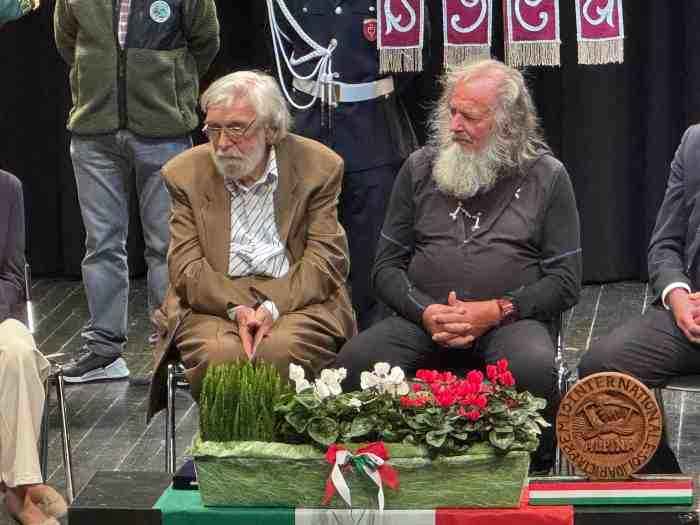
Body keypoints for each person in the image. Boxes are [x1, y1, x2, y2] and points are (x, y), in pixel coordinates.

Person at [333, 59, 582, 471]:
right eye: (451, 111)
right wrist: (426, 311)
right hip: (422, 318)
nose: (454, 125)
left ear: (508, 124)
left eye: (470, 116)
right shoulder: (418, 168)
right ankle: (386, 471)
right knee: (353, 364)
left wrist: (496, 309)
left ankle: (529, 475)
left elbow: (565, 282)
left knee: (533, 370)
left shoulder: (548, 177)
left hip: (508, 321)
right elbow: (385, 269)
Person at [147, 70, 355, 420]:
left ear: (271, 129)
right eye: (214, 129)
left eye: (237, 128)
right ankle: (228, 463)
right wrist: (237, 308)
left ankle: (285, 458)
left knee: (280, 351)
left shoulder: (318, 167)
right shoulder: (185, 174)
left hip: (297, 298)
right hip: (213, 300)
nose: (223, 143)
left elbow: (326, 260)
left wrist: (273, 306)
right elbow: (186, 266)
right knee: (220, 357)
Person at [53, 0, 220, 383]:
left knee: (168, 245)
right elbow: (66, 40)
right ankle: (104, 350)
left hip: (163, 130)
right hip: (94, 129)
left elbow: (205, 42)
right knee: (101, 243)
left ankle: (170, 349)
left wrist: (170, 88)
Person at [266, 1, 428, 330]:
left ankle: (373, 348)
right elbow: (283, 52)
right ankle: (307, 338)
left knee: (372, 249)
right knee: (300, 242)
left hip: (370, 131)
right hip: (308, 128)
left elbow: (409, 62)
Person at [578, 125, 700, 474]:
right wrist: (678, 296)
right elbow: (665, 245)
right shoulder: (694, 144)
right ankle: (664, 484)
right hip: (689, 316)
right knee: (602, 367)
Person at [0, 170, 67, 525]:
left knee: (19, 351)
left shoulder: (6, 188)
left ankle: (22, 488)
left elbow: (12, 275)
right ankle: (19, 492)